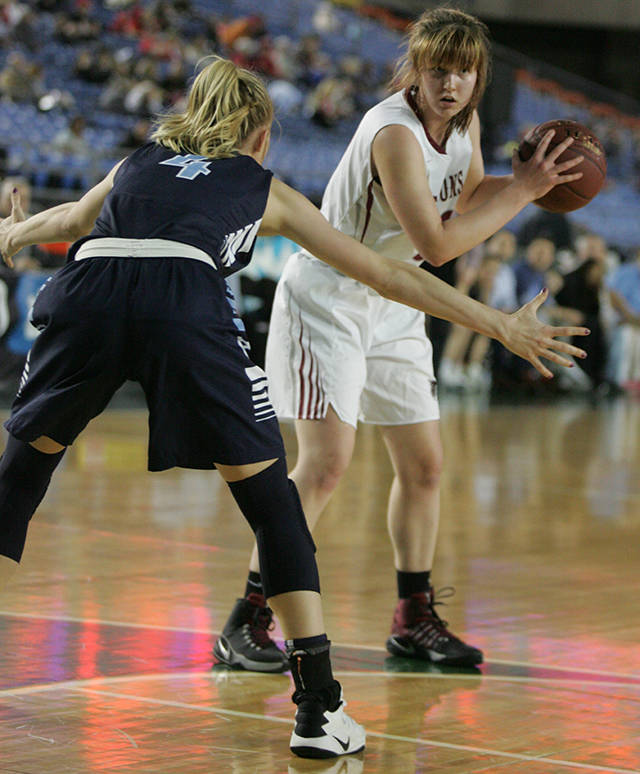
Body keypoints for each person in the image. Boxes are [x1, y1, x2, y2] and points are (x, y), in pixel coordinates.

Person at [0, 56, 586, 759]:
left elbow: (70, 218)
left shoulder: (139, 161)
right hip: (183, 304)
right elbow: (385, 272)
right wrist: (497, 324)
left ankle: (273, 651)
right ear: (260, 134)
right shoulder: (262, 185)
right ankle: (318, 709)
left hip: (87, 294)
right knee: (275, 506)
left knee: (19, 476)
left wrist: (10, 235)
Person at [212, 7, 585, 675]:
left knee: (426, 466)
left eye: (464, 71)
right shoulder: (392, 132)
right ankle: (248, 615)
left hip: (392, 302)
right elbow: (438, 244)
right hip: (328, 297)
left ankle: (413, 619)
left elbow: (467, 196)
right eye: (439, 69)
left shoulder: (463, 125)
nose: (451, 84)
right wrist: (524, 194)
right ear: (416, 69)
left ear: (479, 77)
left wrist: (539, 185)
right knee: (325, 467)